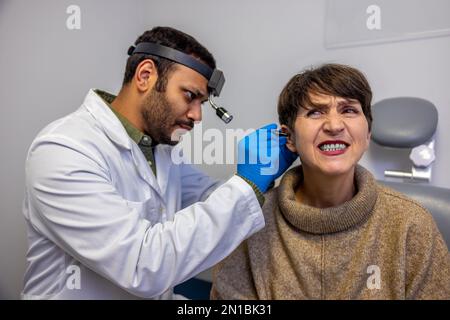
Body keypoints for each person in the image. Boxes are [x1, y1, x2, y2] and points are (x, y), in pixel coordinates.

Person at [21, 26, 297, 299]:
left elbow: (207, 197)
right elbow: (144, 266)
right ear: (145, 75)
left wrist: (262, 182)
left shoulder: (157, 148)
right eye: (190, 95)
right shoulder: (64, 149)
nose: (197, 115)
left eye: (202, 102)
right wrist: (246, 184)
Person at [211, 63, 450, 300]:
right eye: (315, 112)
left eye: (349, 110)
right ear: (290, 137)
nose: (334, 126)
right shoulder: (250, 225)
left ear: (367, 134)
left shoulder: (411, 224)